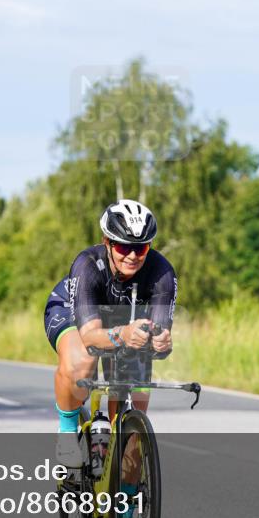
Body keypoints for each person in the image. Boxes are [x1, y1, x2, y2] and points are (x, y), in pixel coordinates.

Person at [44, 199, 177, 469]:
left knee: (136, 422)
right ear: (107, 241)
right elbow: (91, 336)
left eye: (140, 248)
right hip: (74, 312)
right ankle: (67, 432)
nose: (132, 255)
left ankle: (126, 500)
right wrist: (122, 335)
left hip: (123, 320)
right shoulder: (88, 265)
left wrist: (161, 343)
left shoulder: (162, 273)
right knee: (83, 360)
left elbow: (160, 334)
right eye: (123, 246)